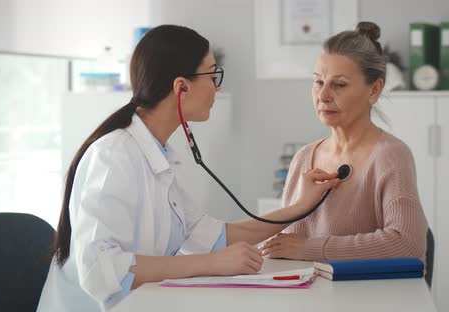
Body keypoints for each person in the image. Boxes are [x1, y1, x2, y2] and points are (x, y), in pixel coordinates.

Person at [37, 25, 340, 312]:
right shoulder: (113, 155)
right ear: (181, 87)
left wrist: (302, 206)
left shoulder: (159, 156)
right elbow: (100, 270)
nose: (216, 88)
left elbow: (217, 236)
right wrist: (211, 263)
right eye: (212, 75)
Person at [261, 22, 428, 265]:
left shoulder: (391, 156)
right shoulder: (303, 157)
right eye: (318, 82)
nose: (323, 95)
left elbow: (407, 244)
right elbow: (284, 246)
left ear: (374, 90)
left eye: (339, 85)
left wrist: (311, 248)